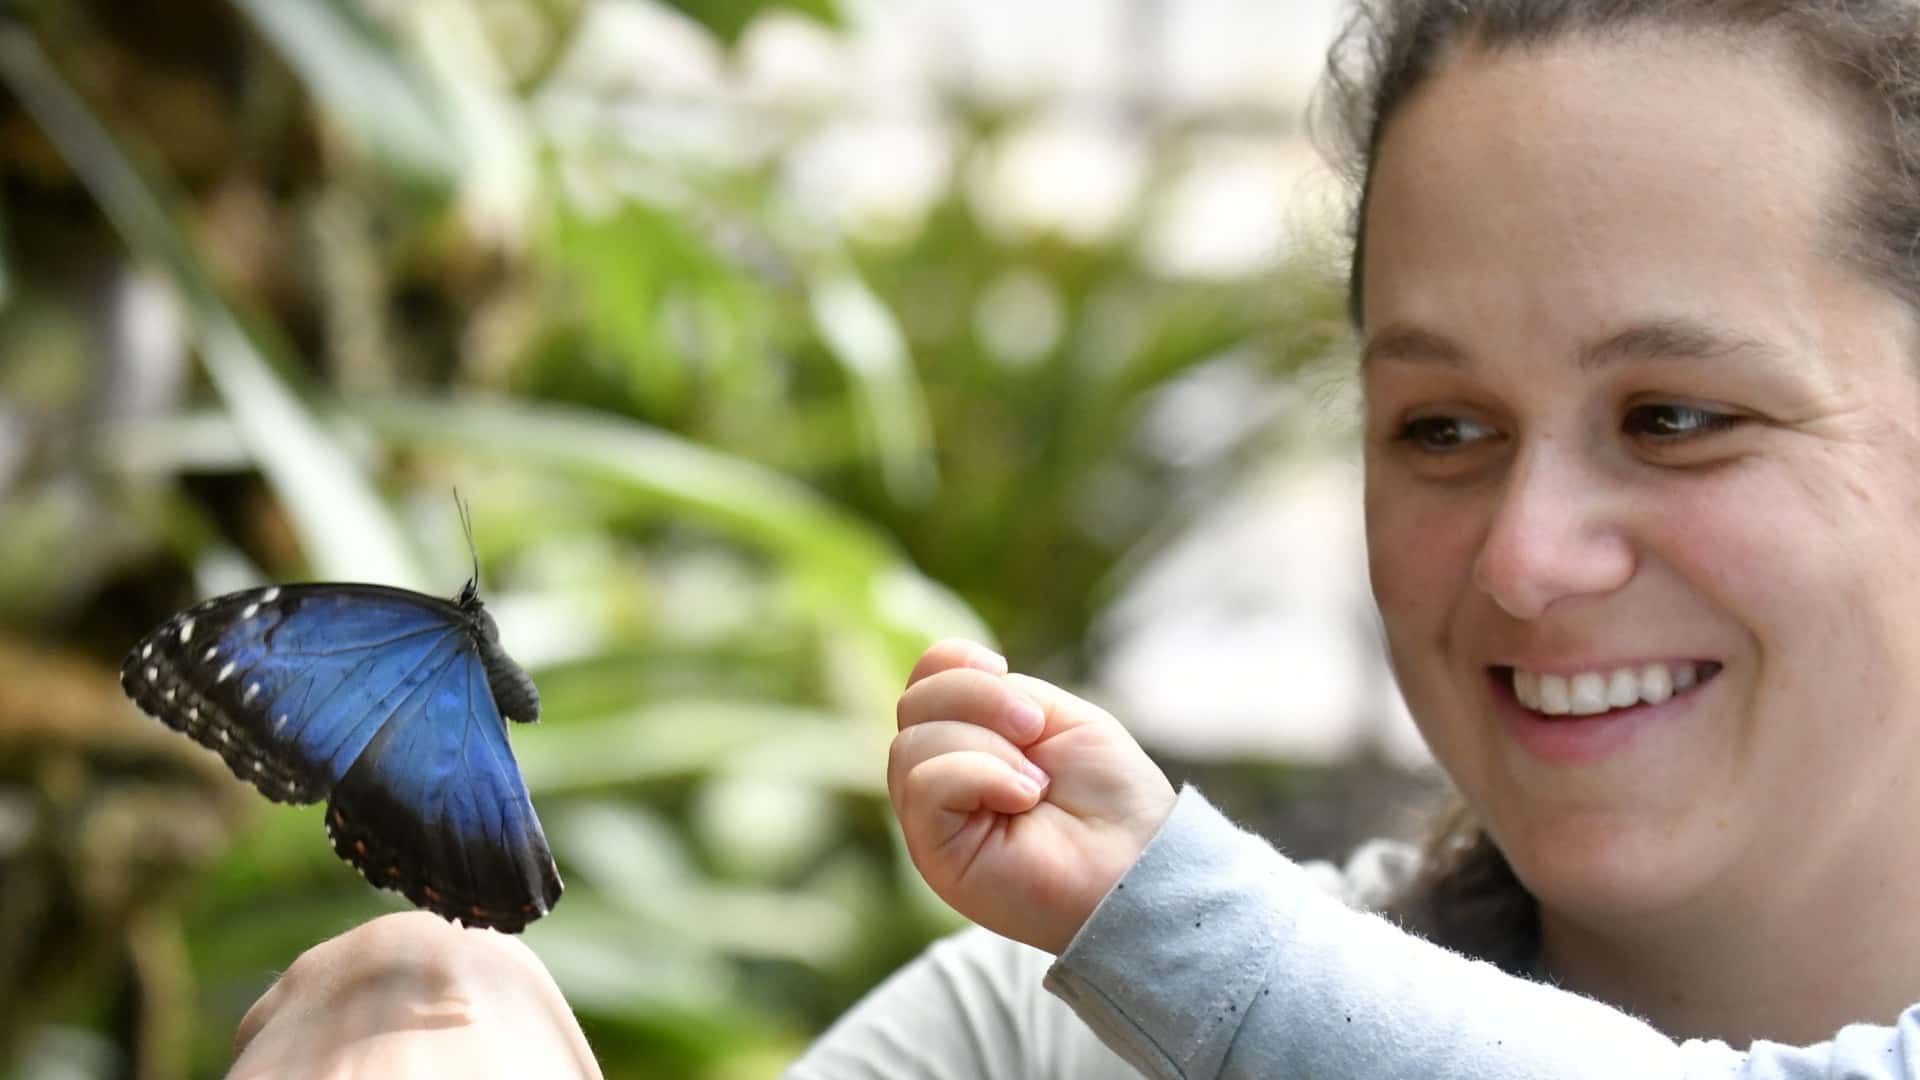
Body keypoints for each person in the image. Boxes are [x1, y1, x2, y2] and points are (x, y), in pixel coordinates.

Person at [229, 0, 1920, 1075]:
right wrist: (452, 1023)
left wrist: (1173, 917)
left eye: (1680, 418)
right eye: (1443, 430)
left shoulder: (1145, 979)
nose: (1529, 561)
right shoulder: (1036, 1045)